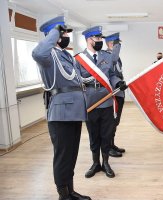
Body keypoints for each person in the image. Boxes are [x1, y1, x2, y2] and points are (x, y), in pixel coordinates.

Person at [32, 16, 91, 200]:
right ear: (54, 35)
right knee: (63, 156)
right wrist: (54, 32)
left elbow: (78, 79)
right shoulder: (48, 56)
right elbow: (38, 53)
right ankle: (63, 195)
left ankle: (70, 191)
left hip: (74, 112)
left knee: (71, 155)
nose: (66, 36)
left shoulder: (66, 55)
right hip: (61, 114)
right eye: (63, 32)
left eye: (64, 32)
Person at [79, 26, 126, 178]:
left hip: (106, 101)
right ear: (88, 40)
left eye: (100, 38)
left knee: (106, 134)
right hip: (90, 102)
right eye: (97, 38)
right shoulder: (79, 59)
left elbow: (111, 74)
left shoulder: (105, 56)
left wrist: (117, 82)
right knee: (94, 135)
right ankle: (95, 163)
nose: (100, 41)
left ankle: (106, 163)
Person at [105, 33, 126, 157]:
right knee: (111, 121)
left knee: (116, 121)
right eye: (117, 44)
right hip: (113, 93)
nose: (119, 47)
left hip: (119, 92)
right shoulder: (107, 56)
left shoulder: (117, 58)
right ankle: (107, 147)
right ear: (110, 44)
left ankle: (112, 144)